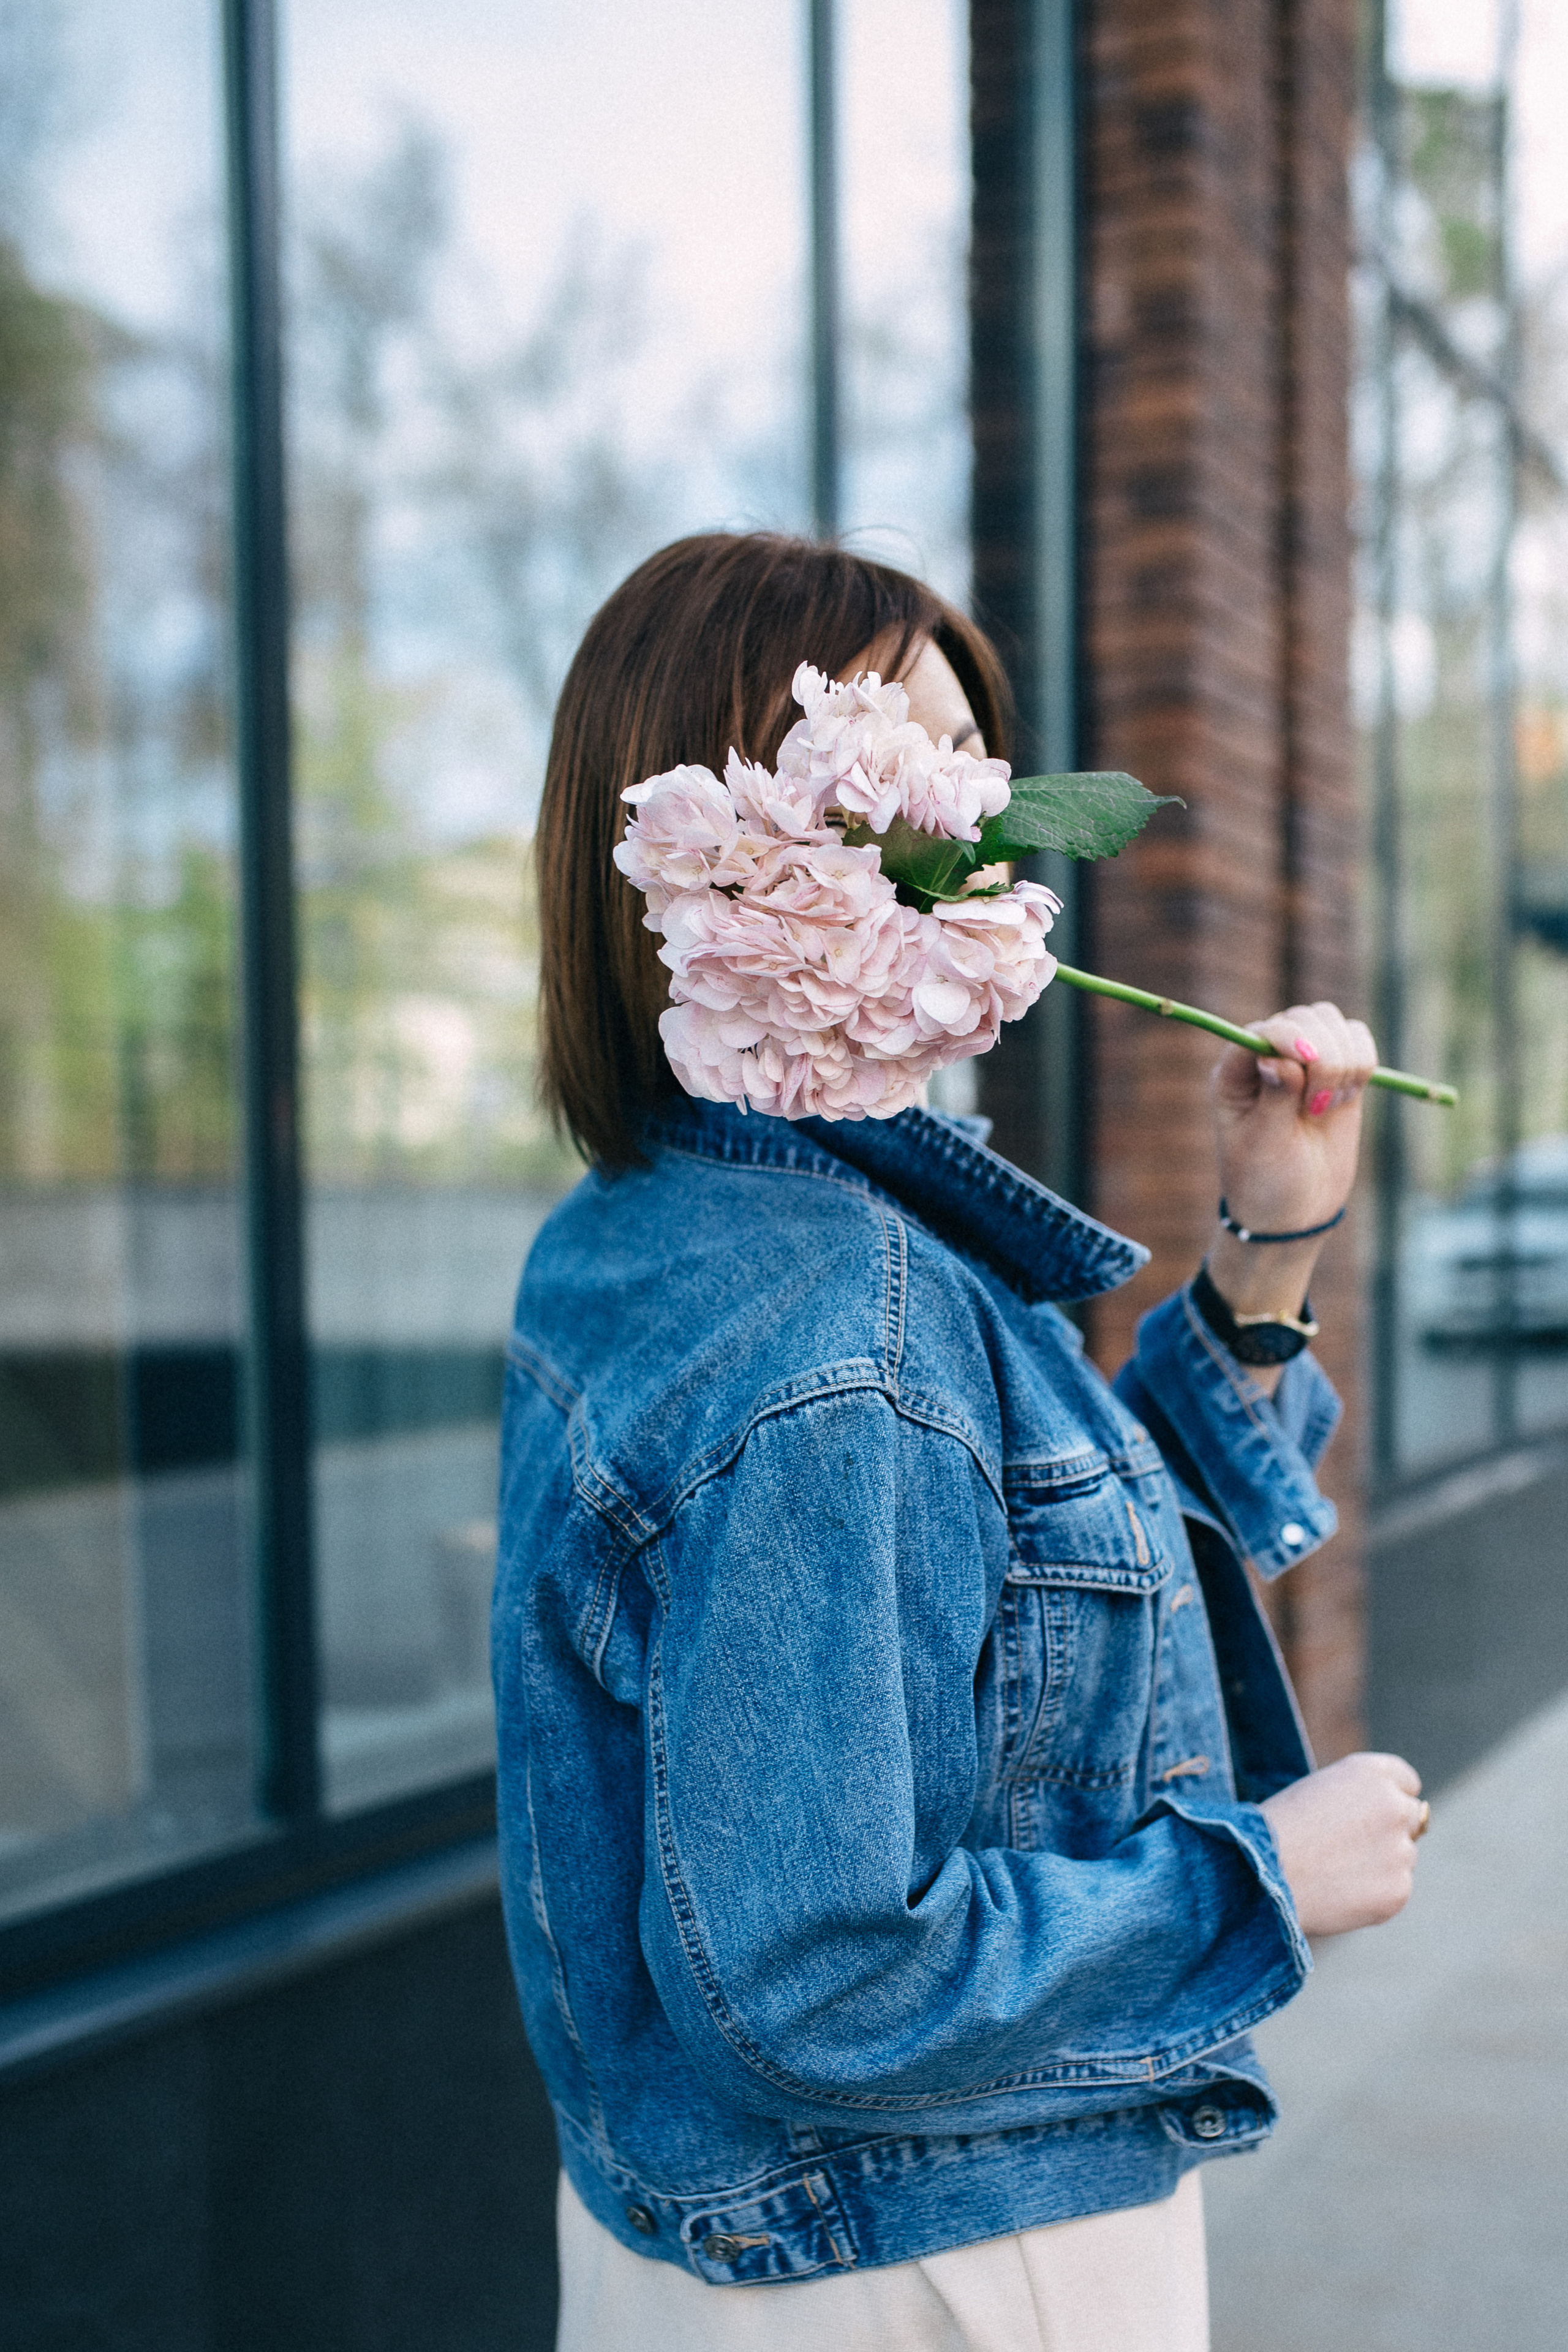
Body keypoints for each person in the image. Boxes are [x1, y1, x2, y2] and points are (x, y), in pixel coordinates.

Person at [496, 532, 1425, 2352]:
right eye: (886, 757)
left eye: (970, 760)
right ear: (723, 842)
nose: (969, 820)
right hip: (916, 2264)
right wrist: (1264, 1878)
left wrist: (1265, 1255)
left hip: (736, 2239)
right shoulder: (840, 1335)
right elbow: (816, 1980)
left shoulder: (640, 1224)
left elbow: (1022, 1562)